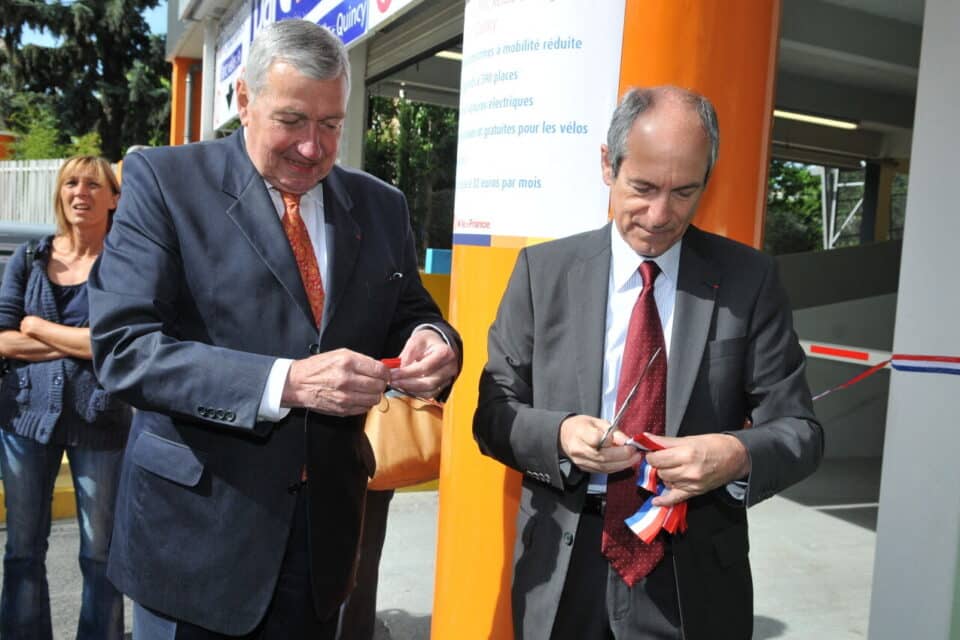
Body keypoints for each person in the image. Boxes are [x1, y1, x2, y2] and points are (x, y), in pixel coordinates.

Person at [87, 19, 461, 639]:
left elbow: (409, 313)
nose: (313, 147)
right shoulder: (164, 181)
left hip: (324, 544)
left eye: (331, 125)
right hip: (196, 542)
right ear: (243, 100)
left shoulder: (380, 205)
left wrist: (436, 343)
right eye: (292, 121)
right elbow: (127, 348)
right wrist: (285, 382)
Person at [473, 86, 824, 640]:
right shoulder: (543, 274)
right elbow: (493, 415)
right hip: (565, 570)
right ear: (608, 166)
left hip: (693, 577)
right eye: (643, 188)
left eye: (685, 192)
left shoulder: (747, 281)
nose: (661, 215)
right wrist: (561, 435)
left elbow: (800, 431)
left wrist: (734, 455)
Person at [0, 155, 132, 639]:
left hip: (101, 422)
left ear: (114, 198)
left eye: (95, 185)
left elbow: (117, 345)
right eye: (72, 183)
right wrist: (76, 338)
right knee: (21, 550)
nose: (81, 192)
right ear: (60, 193)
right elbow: (2, 337)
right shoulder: (31, 257)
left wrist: (34, 326)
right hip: (24, 421)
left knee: (100, 555)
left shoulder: (124, 263)